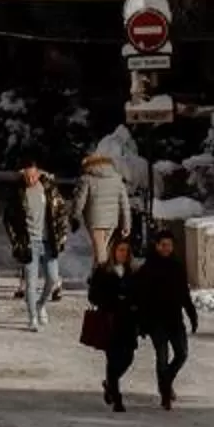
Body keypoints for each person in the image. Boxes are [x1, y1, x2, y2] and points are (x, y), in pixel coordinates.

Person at [130, 224, 198, 409]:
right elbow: (138, 296)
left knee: (182, 354)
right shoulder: (148, 268)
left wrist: (192, 314)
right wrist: (139, 322)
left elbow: (184, 293)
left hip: (175, 319)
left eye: (170, 245)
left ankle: (166, 380)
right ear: (157, 246)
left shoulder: (177, 266)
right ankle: (165, 393)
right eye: (164, 245)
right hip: (155, 321)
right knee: (162, 357)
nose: (167, 248)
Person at [5, 160, 66, 331]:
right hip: (29, 242)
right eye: (27, 177)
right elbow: (8, 218)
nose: (30, 180)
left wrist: (61, 236)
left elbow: (61, 212)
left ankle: (40, 305)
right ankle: (32, 317)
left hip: (48, 241)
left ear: (38, 174)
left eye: (33, 176)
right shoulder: (18, 192)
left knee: (52, 278)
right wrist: (16, 240)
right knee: (31, 282)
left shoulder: (49, 189)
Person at [85, 234, 139, 411]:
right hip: (110, 320)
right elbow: (93, 295)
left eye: (126, 251)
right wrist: (110, 301)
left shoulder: (132, 272)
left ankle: (110, 383)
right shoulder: (103, 271)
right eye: (120, 250)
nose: (123, 254)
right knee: (113, 359)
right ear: (113, 251)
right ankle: (117, 398)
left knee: (128, 357)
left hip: (128, 322)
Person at [75, 150, 133, 266]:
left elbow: (79, 200)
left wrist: (75, 216)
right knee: (102, 251)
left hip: (94, 221)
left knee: (101, 254)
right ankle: (97, 278)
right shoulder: (117, 179)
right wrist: (127, 224)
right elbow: (124, 203)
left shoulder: (87, 179)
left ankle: (101, 278)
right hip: (111, 221)